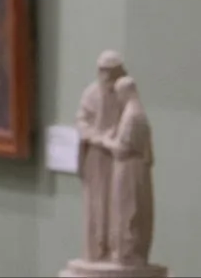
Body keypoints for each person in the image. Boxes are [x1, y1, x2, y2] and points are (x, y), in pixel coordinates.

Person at [74, 50, 128, 262]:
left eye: (111, 72)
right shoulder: (91, 94)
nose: (106, 77)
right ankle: (96, 249)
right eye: (103, 71)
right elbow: (81, 122)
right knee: (96, 203)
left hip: (117, 156)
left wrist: (116, 135)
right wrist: (97, 137)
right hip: (96, 155)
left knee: (117, 203)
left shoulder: (123, 96)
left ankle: (115, 250)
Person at [103, 75, 155, 266]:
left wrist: (106, 140)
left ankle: (127, 253)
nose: (118, 98)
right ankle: (125, 252)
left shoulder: (132, 116)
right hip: (132, 169)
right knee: (128, 210)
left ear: (126, 92)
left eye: (119, 93)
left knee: (128, 210)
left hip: (129, 170)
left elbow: (122, 149)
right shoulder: (135, 113)